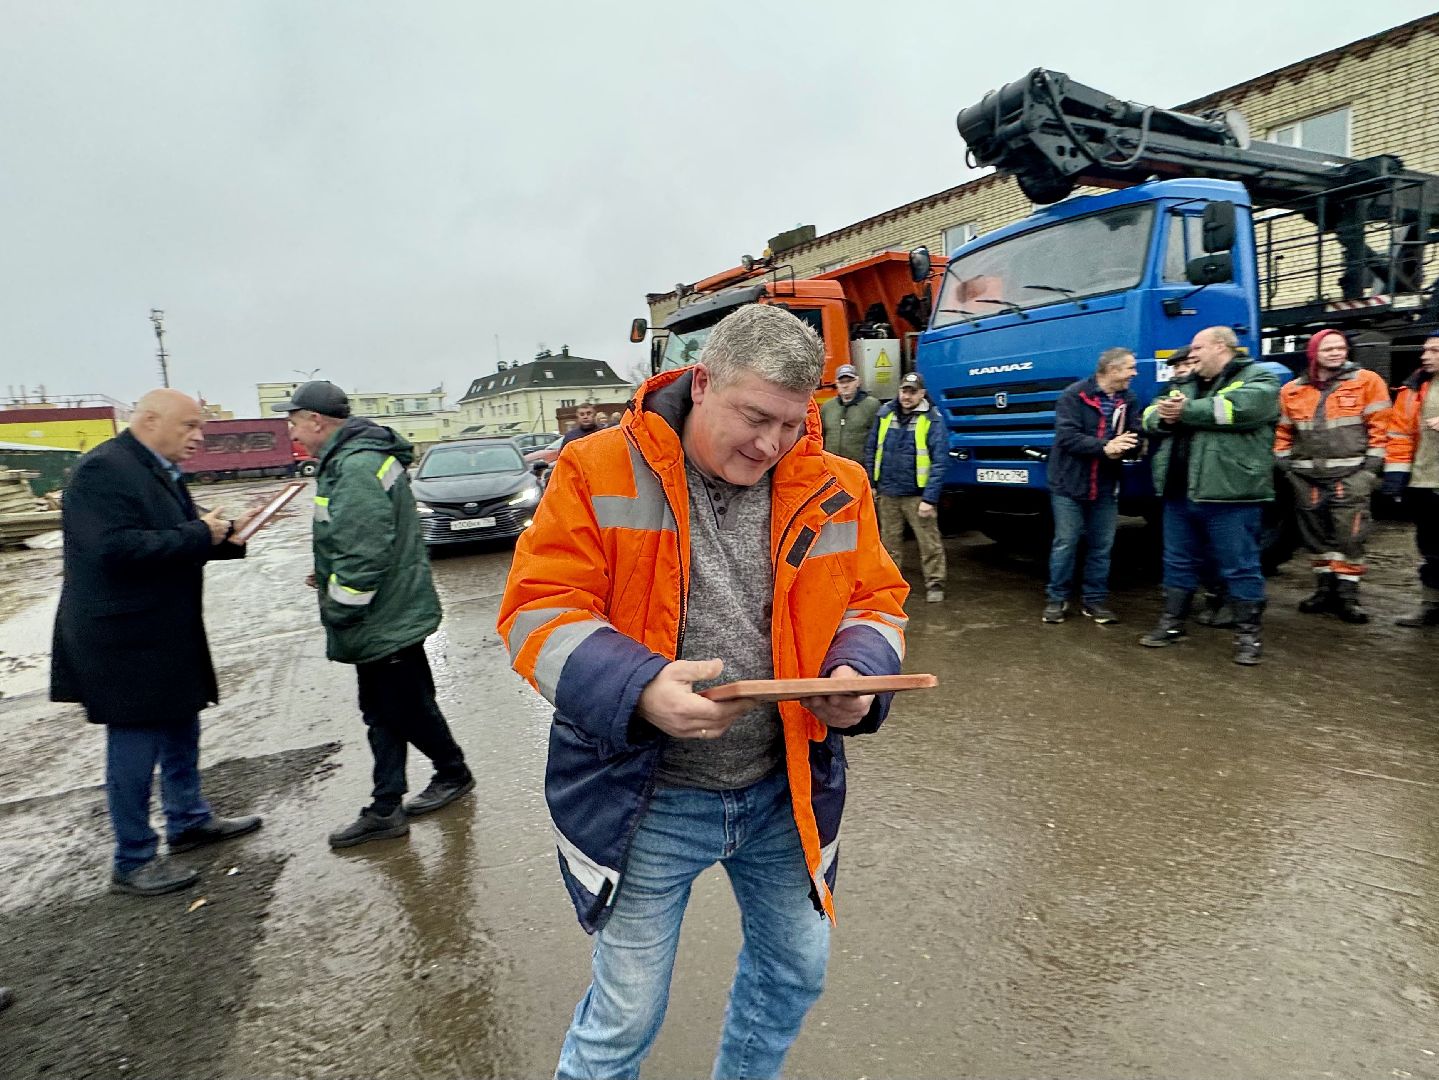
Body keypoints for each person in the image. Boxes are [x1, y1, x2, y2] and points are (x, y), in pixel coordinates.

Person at [496, 304, 909, 1080]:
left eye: (792, 424)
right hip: (646, 797)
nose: (771, 445)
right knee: (624, 1017)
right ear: (702, 381)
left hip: (784, 789)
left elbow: (873, 601)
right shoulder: (595, 469)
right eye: (754, 417)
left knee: (796, 970)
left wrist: (855, 670)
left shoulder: (837, 484)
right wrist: (640, 687)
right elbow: (536, 611)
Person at [50, 389, 263, 896]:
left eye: (200, 427)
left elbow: (174, 539)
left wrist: (226, 537)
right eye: (189, 426)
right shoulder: (104, 470)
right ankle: (133, 857)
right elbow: (114, 549)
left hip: (162, 631)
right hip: (123, 637)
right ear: (149, 420)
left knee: (180, 727)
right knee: (135, 744)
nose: (199, 436)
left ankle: (188, 821)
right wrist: (199, 534)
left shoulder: (156, 468)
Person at [275, 381, 473, 847]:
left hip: (383, 618)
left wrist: (342, 607)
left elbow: (365, 552)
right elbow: (356, 539)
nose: (293, 433)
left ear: (316, 420)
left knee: (405, 709)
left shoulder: (355, 465)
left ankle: (450, 773)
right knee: (385, 711)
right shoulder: (359, 458)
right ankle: (387, 804)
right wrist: (325, 572)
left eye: (295, 423)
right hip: (392, 611)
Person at [1139, 327, 1280, 664]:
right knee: (1177, 562)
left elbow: (1241, 410)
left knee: (1239, 565)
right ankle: (1172, 623)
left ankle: (1249, 636)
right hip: (1179, 493)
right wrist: (1165, 415)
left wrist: (1184, 412)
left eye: (1198, 346)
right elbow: (1149, 416)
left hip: (1230, 494)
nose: (1193, 353)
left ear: (1221, 346)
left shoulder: (1259, 377)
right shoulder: (1183, 383)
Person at [1275, 329, 1391, 622]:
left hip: (1350, 475)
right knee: (1316, 538)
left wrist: (1368, 473)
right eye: (1329, 349)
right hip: (1307, 479)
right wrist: (1288, 469)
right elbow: (1282, 434)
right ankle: (1324, 590)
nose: (1337, 353)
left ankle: (1348, 597)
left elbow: (1381, 431)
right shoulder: (1292, 390)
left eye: (1341, 348)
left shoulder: (1367, 382)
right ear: (1314, 354)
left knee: (1350, 537)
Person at [1041, 347, 1141, 624]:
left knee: (1102, 546)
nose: (1134, 373)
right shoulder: (1074, 395)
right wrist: (1104, 447)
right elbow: (1067, 436)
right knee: (1066, 543)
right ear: (1112, 370)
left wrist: (1128, 446)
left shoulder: (1128, 399)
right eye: (1130, 368)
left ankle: (1094, 602)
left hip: (1105, 486)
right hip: (1068, 484)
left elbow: (1136, 432)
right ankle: (1056, 600)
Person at [864, 370, 950, 603]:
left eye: (912, 392)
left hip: (917, 496)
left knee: (929, 543)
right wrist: (872, 483)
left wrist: (930, 499)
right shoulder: (885, 414)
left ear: (922, 393)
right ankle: (891, 586)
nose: (907, 396)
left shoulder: (932, 418)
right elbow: (872, 450)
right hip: (888, 493)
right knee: (889, 544)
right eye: (904, 390)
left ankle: (935, 583)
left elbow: (940, 461)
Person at [1384, 330, 1439, 627]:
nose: (1424, 356)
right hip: (1425, 482)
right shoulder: (1414, 388)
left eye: (1434, 351)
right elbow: (1400, 436)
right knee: (1431, 549)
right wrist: (1396, 479)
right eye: (1425, 350)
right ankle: (1431, 605)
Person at [819, 362, 880, 465]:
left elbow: (878, 442)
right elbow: (820, 437)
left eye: (850, 381)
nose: (845, 385)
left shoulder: (872, 406)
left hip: (859, 468)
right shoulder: (827, 407)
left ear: (858, 382)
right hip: (832, 468)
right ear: (836, 384)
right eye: (841, 382)